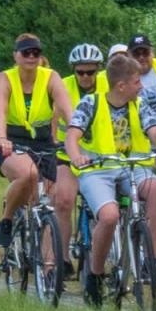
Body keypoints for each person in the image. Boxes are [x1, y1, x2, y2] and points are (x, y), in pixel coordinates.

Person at [64, 53, 156, 307]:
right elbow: (72, 135)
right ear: (121, 86)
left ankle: (149, 261)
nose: (141, 86)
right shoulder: (91, 103)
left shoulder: (139, 104)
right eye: (136, 82)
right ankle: (96, 274)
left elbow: (153, 129)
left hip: (133, 166)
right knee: (109, 216)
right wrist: (76, 157)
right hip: (98, 170)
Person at [0, 33, 71, 251]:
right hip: (10, 139)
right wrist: (1, 138)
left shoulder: (51, 77)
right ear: (16, 55)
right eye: (26, 53)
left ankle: (46, 262)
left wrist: (76, 136)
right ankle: (7, 219)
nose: (31, 57)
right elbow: (0, 113)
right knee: (29, 174)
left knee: (49, 200)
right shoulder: (4, 79)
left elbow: (67, 110)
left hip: (43, 141)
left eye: (36, 53)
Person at [52, 42, 105, 273]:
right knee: (64, 200)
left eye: (90, 72)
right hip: (67, 154)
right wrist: (52, 141)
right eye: (80, 72)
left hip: (99, 155)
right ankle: (63, 258)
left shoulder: (109, 84)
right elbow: (54, 119)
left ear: (98, 69)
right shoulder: (63, 86)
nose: (85, 76)